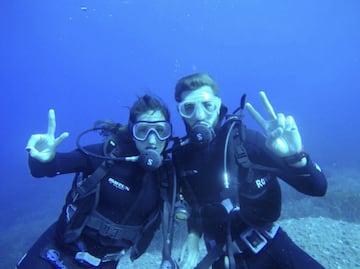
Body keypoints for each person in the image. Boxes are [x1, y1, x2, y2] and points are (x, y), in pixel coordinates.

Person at [171, 73, 327, 269]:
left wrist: (295, 157)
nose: (199, 115)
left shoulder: (247, 142)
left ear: (218, 105)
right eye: (188, 108)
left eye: (207, 105)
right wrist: (193, 237)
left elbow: (318, 187)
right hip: (224, 260)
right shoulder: (181, 158)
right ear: (181, 112)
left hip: (274, 248)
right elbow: (193, 204)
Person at [17, 94, 178, 269]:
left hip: (105, 264)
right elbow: (44, 170)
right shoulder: (103, 156)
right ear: (132, 132)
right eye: (142, 131)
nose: (152, 140)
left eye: (160, 131)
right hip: (56, 252)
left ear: (168, 133)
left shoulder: (168, 176)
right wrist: (42, 159)